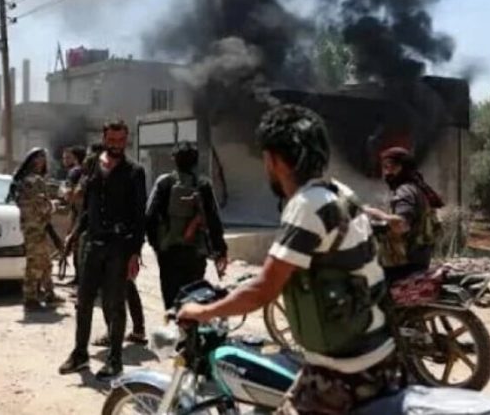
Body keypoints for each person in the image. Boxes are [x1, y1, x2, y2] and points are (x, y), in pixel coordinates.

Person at [178, 105, 399, 415]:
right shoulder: (340, 193)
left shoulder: (306, 206)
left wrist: (201, 312)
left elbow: (263, 290)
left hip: (344, 372)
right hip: (380, 355)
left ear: (273, 160)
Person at [59, 119, 147, 380]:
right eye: (111, 140)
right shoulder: (92, 165)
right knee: (84, 301)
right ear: (104, 138)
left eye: (121, 140)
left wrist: (135, 253)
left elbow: (139, 215)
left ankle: (115, 360)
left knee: (115, 303)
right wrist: (74, 234)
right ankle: (80, 354)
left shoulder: (135, 172)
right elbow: (89, 207)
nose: (116, 145)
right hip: (93, 244)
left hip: (119, 247)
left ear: (126, 140)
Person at [145, 141, 229, 310]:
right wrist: (220, 250)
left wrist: (158, 246)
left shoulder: (164, 183)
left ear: (174, 159)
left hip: (169, 252)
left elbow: (149, 216)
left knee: (171, 299)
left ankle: (174, 323)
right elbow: (213, 220)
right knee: (194, 297)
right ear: (196, 161)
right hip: (195, 252)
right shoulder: (203, 185)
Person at [364, 147, 444, 283]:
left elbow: (401, 224)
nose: (386, 172)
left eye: (391, 167)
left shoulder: (405, 191)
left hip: (402, 263)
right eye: (384, 167)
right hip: (418, 259)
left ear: (404, 167)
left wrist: (376, 214)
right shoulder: (416, 188)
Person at [8, 148, 63, 310]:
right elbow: (41, 205)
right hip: (34, 227)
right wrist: (54, 205)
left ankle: (49, 293)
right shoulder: (33, 181)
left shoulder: (25, 179)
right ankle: (30, 297)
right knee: (35, 262)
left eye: (43, 158)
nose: (42, 161)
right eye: (39, 158)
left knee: (45, 261)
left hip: (35, 225)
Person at [61, 145, 86, 286]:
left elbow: (69, 195)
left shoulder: (75, 172)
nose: (65, 160)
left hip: (79, 215)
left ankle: (80, 279)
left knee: (76, 247)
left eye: (68, 157)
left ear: (75, 158)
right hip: (86, 214)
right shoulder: (87, 172)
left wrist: (64, 194)